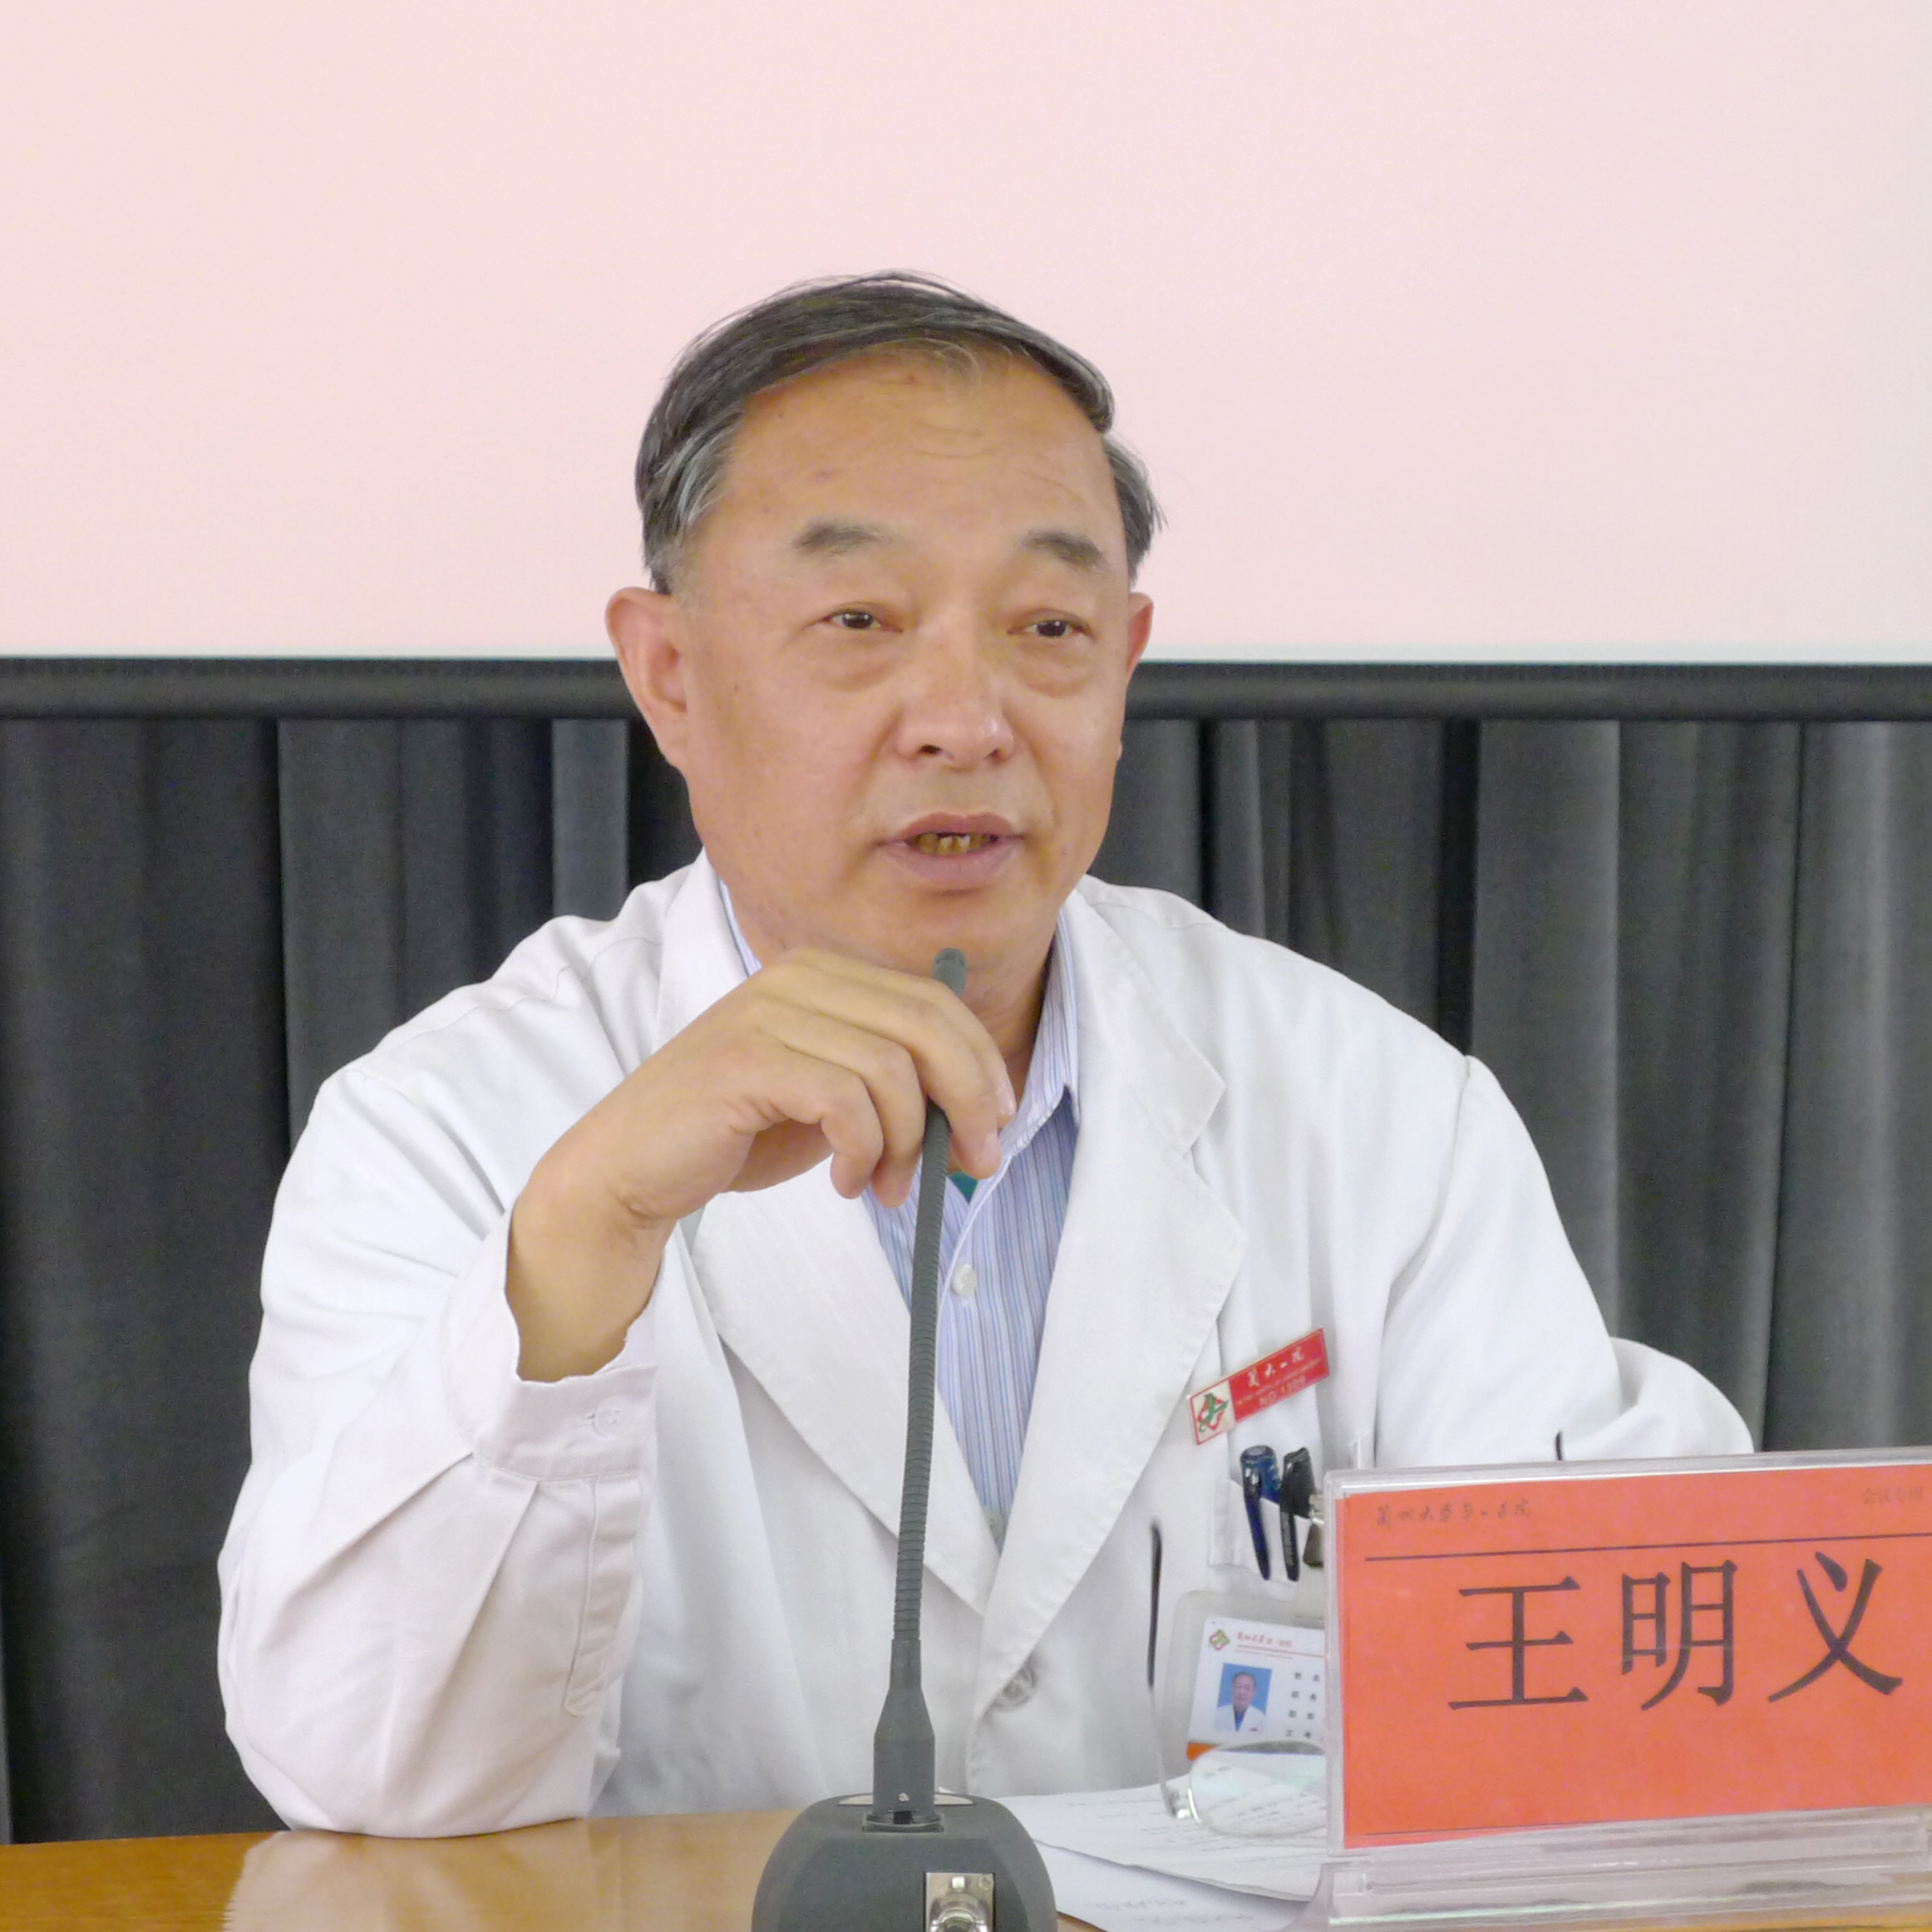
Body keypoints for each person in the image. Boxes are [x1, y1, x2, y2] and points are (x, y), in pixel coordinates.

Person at [217, 274, 1749, 1836]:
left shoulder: (1373, 1108)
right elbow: (368, 1774)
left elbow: (1634, 1663)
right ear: (667, 672)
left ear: (1125, 664)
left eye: (1048, 629)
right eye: (860, 622)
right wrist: (579, 1245)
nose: (964, 719)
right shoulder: (449, 1127)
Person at [1214, 1670, 1270, 1736]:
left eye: (1247, 1688)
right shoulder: (1218, 1714)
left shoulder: (1261, 1719)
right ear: (1232, 1689)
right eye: (1238, 1687)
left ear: (1253, 1692)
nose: (1241, 1692)